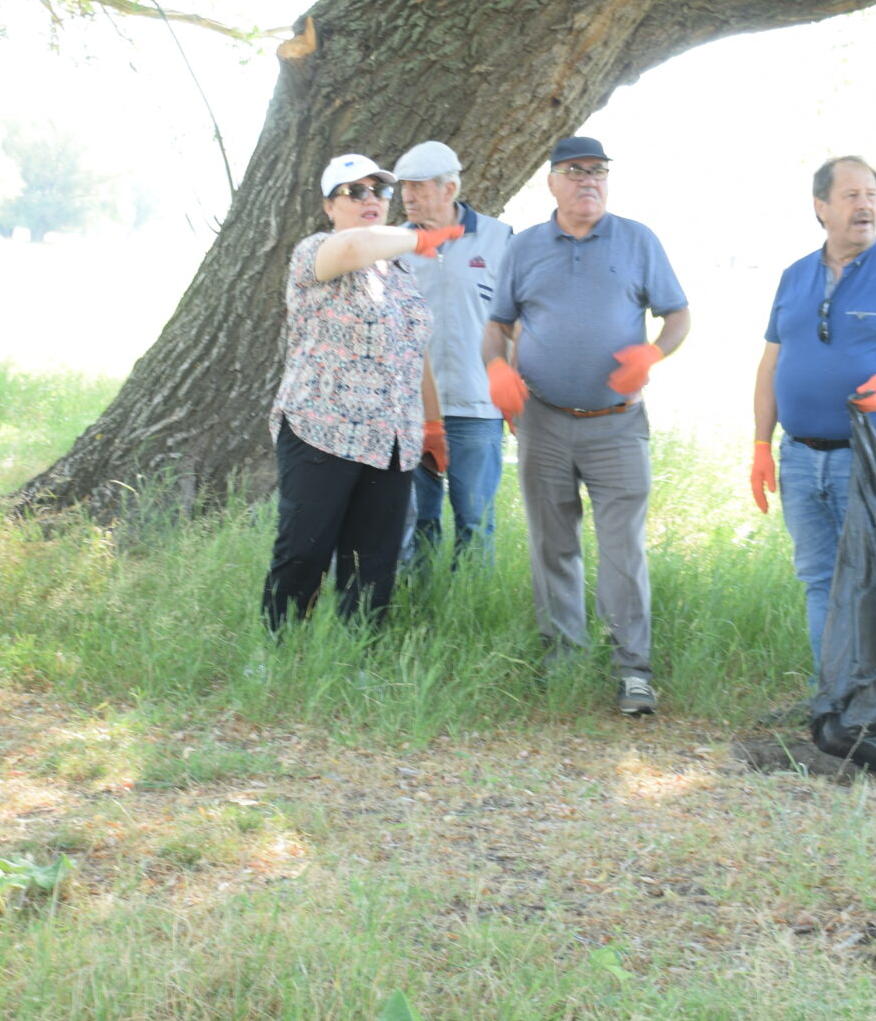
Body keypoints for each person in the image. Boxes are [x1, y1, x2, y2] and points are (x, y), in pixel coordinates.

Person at [482, 137, 690, 716]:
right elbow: (497, 325)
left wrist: (654, 353)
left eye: (598, 171)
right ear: (551, 181)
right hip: (543, 421)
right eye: (575, 172)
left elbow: (678, 315)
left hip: (617, 425)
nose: (588, 181)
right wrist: (496, 368)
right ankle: (564, 663)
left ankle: (634, 672)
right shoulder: (524, 248)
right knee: (553, 546)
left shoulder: (638, 240)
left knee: (623, 550)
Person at [750, 155, 876, 722]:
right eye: (851, 195)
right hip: (800, 458)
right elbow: (771, 365)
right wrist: (762, 446)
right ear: (820, 207)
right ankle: (834, 700)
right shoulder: (794, 277)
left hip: (872, 456)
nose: (865, 205)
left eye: (871, 194)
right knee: (820, 580)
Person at [262, 153, 464, 632]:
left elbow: (415, 352)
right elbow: (358, 245)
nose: (370, 198)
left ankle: (360, 657)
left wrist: (432, 424)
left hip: (391, 441)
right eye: (354, 191)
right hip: (321, 433)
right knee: (304, 552)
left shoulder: (399, 274)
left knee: (374, 563)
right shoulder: (316, 251)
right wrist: (421, 236)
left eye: (379, 190)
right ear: (329, 206)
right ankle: (277, 654)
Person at [395, 140, 513, 563]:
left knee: (475, 521)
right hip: (410, 408)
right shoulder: (393, 246)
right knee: (417, 523)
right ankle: (418, 597)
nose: (407, 196)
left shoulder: (499, 239)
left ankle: (472, 600)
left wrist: (514, 392)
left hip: (477, 406)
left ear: (448, 189)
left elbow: (516, 320)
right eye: (404, 186)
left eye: (418, 186)